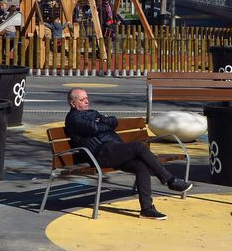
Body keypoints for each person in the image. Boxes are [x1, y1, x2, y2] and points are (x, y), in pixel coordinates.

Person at [65, 88, 191, 220]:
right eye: (82, 99)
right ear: (73, 104)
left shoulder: (92, 113)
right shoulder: (74, 119)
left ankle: (147, 209)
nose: (86, 101)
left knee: (140, 165)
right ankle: (170, 180)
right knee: (138, 147)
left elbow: (113, 121)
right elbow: (96, 128)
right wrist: (102, 121)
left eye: (86, 98)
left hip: (113, 150)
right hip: (100, 154)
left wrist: (102, 121)